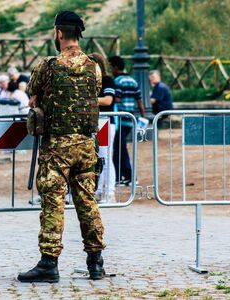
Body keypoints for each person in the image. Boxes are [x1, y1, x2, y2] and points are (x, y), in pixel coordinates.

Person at [18, 11, 106, 283]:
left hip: (57, 146)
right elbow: (95, 94)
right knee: (88, 202)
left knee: (53, 203)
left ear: (58, 33)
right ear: (78, 34)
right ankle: (96, 262)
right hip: (87, 145)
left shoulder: (47, 66)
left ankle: (48, 263)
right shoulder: (94, 66)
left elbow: (32, 100)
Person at [109, 56, 145, 185]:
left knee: (119, 149)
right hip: (131, 120)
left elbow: (116, 99)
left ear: (116, 67)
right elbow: (140, 101)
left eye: (111, 67)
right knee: (121, 147)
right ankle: (124, 176)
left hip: (120, 120)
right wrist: (143, 118)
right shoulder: (133, 81)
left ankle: (125, 176)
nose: (111, 70)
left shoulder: (118, 81)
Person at [88, 53, 116, 203]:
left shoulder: (107, 80)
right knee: (96, 159)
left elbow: (108, 100)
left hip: (106, 122)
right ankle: (98, 191)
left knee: (106, 158)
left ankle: (109, 192)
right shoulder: (89, 81)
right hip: (94, 122)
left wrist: (87, 100)